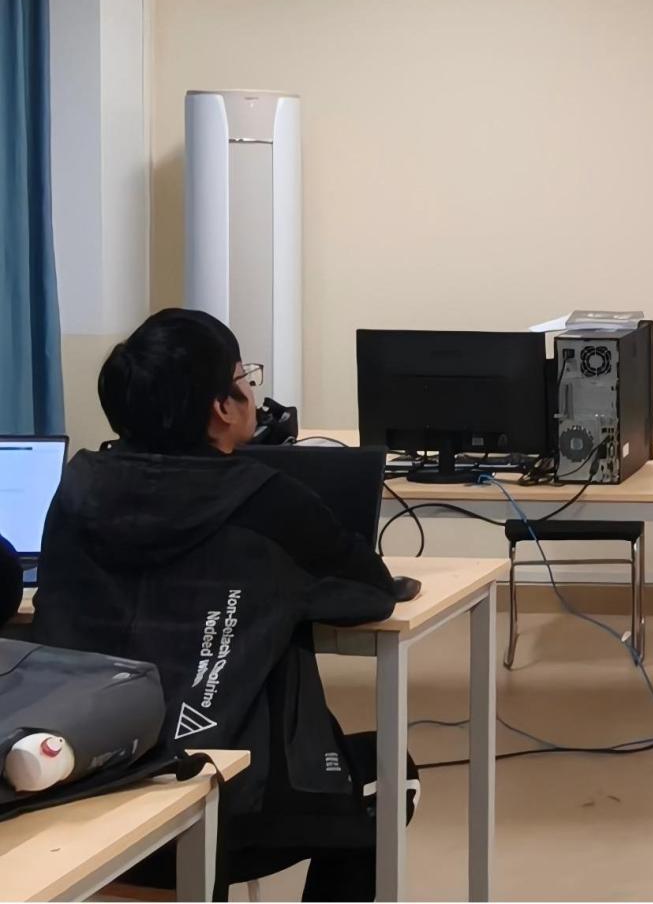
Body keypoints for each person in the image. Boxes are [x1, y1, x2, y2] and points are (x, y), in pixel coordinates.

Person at [30, 309, 409, 902]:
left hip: (68, 784)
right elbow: (372, 593)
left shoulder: (76, 491)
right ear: (221, 407)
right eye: (244, 377)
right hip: (220, 799)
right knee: (389, 774)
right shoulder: (269, 502)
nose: (253, 391)